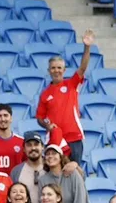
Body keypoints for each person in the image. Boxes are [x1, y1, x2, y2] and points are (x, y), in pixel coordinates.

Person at [36, 30, 96, 162]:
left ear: (64, 70)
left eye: (59, 68)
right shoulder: (45, 94)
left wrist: (87, 47)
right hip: (56, 138)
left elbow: (82, 68)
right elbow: (40, 117)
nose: (56, 70)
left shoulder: (71, 84)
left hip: (74, 137)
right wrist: (47, 126)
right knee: (57, 171)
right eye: (53, 68)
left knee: (74, 172)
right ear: (49, 71)